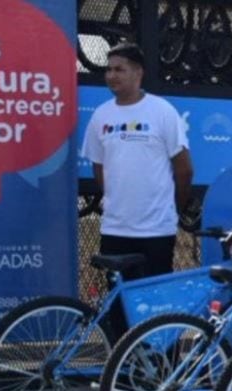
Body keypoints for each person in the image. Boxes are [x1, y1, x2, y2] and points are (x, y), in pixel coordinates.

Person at [81, 41, 193, 280]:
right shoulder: (100, 115)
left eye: (119, 69)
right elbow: (98, 167)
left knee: (154, 308)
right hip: (114, 229)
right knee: (118, 306)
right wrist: (116, 198)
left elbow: (184, 170)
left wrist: (172, 209)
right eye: (108, 69)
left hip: (156, 231)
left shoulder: (162, 111)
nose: (111, 75)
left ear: (138, 73)